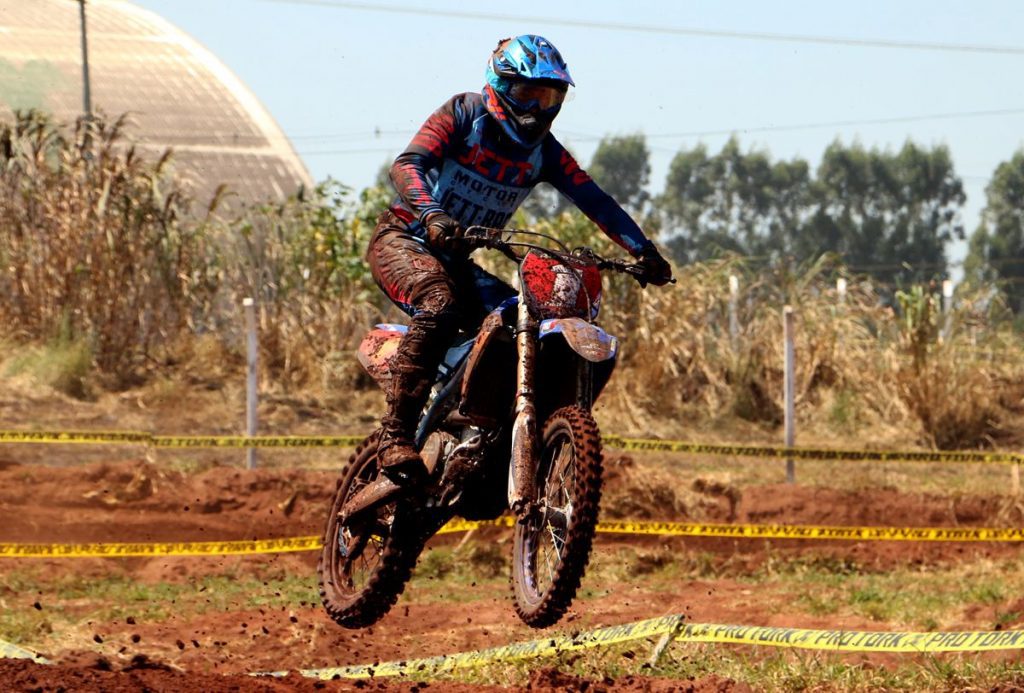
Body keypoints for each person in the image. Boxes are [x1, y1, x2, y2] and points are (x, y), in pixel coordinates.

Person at [366, 34, 673, 484]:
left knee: (518, 321)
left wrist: (643, 251)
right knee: (441, 303)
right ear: (500, 85)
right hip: (403, 241)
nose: (537, 109)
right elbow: (407, 164)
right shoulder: (464, 113)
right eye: (528, 94)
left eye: (549, 97)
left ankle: (487, 440)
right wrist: (431, 213)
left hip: (457, 263)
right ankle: (395, 435)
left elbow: (596, 201)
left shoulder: (544, 152)